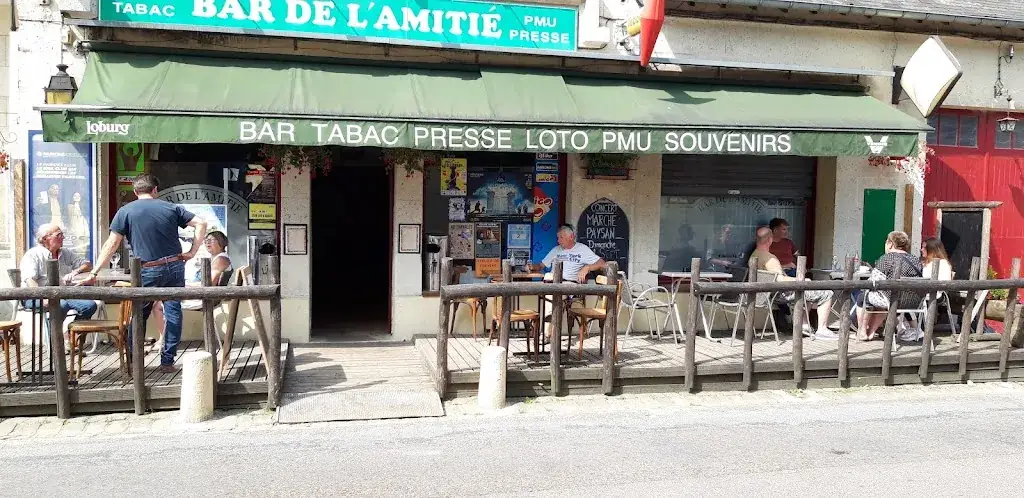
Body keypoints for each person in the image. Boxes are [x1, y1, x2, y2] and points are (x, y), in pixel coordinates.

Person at [81, 174, 207, 373]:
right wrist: (192, 251)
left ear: (135, 191)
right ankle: (167, 362)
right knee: (173, 313)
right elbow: (201, 223)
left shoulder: (125, 211)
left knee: (139, 314)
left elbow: (112, 244)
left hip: (147, 268)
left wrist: (95, 272)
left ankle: (133, 360)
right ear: (155, 190)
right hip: (174, 265)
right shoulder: (171, 208)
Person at [749, 227, 838, 339]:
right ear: (770, 239)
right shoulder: (770, 258)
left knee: (809, 293)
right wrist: (801, 280)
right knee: (826, 293)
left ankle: (804, 325)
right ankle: (822, 329)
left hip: (765, 295)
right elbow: (779, 279)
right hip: (780, 294)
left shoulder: (754, 255)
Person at [19, 223, 98, 348]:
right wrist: (43, 297)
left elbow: (88, 264)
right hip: (35, 297)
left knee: (89, 306)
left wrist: (75, 271)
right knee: (61, 305)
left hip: (61, 294)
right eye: (59, 235)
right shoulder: (33, 254)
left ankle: (69, 337)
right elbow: (30, 280)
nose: (63, 237)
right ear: (45, 238)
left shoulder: (65, 253)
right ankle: (56, 343)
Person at [527, 225, 607, 337]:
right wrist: (532, 267)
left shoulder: (582, 249)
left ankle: (546, 333)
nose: (558, 240)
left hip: (570, 284)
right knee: (551, 295)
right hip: (552, 282)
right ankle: (549, 330)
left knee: (552, 297)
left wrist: (587, 268)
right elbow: (541, 266)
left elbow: (602, 263)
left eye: (561, 237)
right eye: (558, 237)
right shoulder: (556, 250)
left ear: (571, 237)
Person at [856, 231, 923, 341]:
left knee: (862, 298)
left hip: (892, 300)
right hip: (914, 302)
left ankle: (863, 332)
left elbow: (873, 281)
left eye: (886, 242)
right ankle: (871, 332)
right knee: (883, 297)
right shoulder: (915, 260)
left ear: (891, 244)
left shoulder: (887, 259)